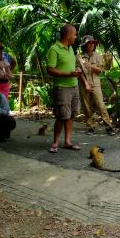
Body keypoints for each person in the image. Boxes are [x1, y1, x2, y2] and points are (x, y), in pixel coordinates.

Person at [47, 24, 82, 153]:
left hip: (74, 85)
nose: (76, 36)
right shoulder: (54, 49)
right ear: (67, 35)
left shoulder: (71, 48)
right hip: (62, 88)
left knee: (71, 115)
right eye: (75, 34)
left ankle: (67, 141)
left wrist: (76, 71)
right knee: (62, 116)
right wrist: (68, 74)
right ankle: (55, 142)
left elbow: (69, 66)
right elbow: (50, 69)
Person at [76, 35, 115, 136]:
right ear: (85, 45)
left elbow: (100, 71)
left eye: (93, 43)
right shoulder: (79, 57)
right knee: (86, 107)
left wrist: (90, 66)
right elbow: (79, 73)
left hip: (96, 84)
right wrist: (86, 84)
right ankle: (90, 127)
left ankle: (109, 127)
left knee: (101, 106)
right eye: (89, 43)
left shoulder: (98, 56)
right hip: (83, 84)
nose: (91, 45)